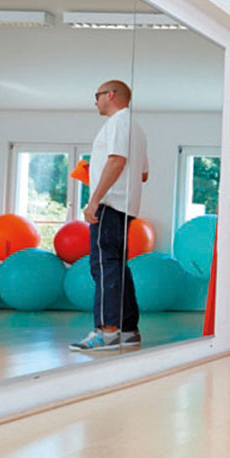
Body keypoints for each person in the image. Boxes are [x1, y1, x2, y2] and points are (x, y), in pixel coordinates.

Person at [70, 80, 149, 352]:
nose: (95, 102)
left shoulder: (118, 122)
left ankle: (107, 332)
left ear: (110, 95)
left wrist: (94, 200)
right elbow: (143, 174)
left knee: (104, 266)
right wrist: (96, 170)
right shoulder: (135, 128)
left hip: (110, 205)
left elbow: (117, 161)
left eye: (98, 96)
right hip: (125, 207)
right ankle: (128, 330)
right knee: (117, 267)